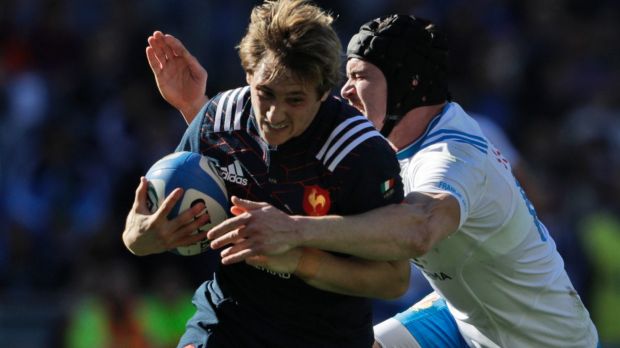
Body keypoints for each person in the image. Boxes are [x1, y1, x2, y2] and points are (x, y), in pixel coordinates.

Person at [201, 15, 599, 347]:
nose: (346, 89)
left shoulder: (450, 156)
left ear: (408, 84)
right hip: (462, 317)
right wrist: (194, 108)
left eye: (360, 76)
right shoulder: (390, 143)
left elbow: (420, 228)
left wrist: (293, 230)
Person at [122, 1, 407, 347]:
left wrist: (298, 257)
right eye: (265, 94)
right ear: (248, 75)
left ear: (322, 93)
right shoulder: (219, 121)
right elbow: (142, 226)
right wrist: (141, 238)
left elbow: (393, 280)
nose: (274, 114)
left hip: (325, 337)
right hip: (227, 323)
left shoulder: (358, 152)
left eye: (295, 100)